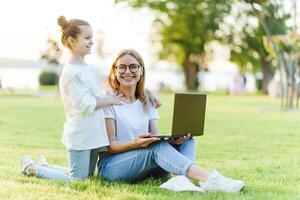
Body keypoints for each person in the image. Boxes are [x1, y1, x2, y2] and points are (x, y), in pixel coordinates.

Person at [19, 17, 160, 183]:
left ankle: (44, 165)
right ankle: (33, 168)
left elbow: (115, 81)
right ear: (71, 41)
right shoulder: (71, 72)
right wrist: (109, 101)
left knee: (87, 176)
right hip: (81, 134)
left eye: (92, 38)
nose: (91, 42)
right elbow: (84, 106)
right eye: (87, 38)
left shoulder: (89, 68)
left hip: (96, 134)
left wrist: (146, 91)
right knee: (77, 180)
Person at [98, 49, 245, 192]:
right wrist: (135, 143)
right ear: (115, 71)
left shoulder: (147, 101)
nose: (128, 72)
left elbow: (155, 137)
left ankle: (180, 180)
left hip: (143, 164)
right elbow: (111, 146)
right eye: (122, 67)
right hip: (113, 166)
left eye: (133, 67)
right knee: (155, 147)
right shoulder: (109, 101)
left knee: (187, 139)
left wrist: (174, 141)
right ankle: (209, 179)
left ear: (141, 70)